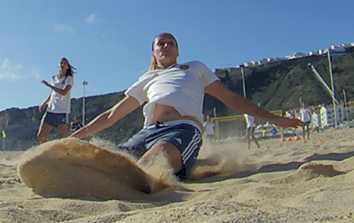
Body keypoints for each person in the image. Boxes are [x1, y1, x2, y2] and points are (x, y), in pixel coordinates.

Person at [72, 33, 303, 181]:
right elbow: (112, 115)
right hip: (147, 132)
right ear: (153, 52)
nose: (166, 46)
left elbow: (231, 99)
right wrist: (74, 137)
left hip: (182, 129)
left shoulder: (194, 68)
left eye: (171, 42)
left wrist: (275, 119)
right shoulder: (147, 78)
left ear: (178, 51)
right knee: (111, 164)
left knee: (149, 165)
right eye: (160, 43)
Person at [37, 57, 76, 143]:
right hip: (51, 110)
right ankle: (47, 153)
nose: (62, 65)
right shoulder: (54, 78)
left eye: (64, 64)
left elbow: (64, 92)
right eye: (61, 63)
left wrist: (49, 85)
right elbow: (52, 93)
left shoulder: (69, 78)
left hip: (62, 111)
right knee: (41, 136)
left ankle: (64, 155)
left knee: (62, 139)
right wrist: (44, 103)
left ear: (67, 67)